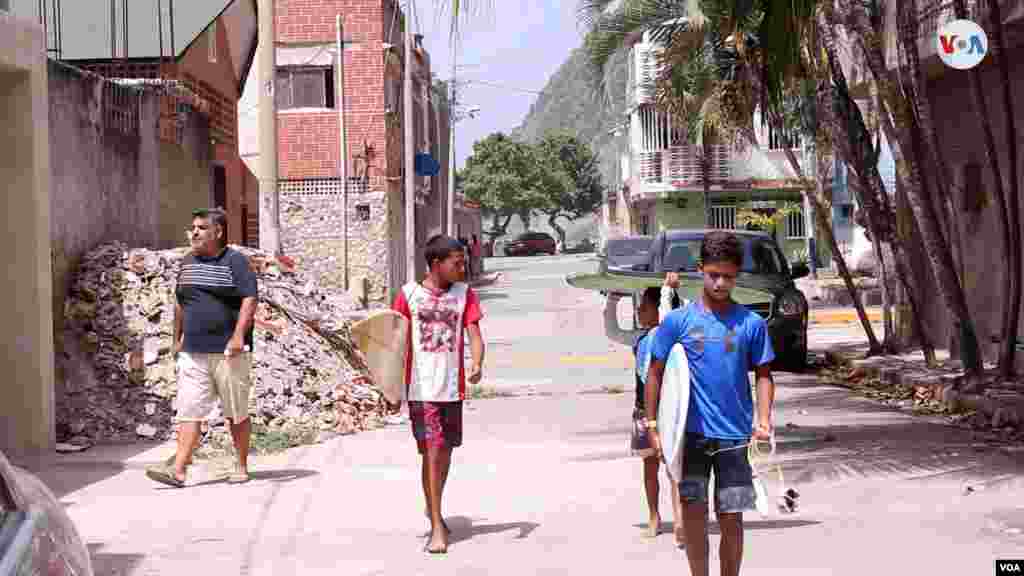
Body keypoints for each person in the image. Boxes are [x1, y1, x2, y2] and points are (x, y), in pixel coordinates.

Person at [645, 231, 775, 576]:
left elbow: (764, 374)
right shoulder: (677, 322)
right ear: (700, 269)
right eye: (713, 274)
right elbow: (657, 374)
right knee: (693, 518)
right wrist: (654, 427)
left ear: (737, 275)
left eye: (728, 276)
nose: (720, 283)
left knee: (732, 519)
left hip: (734, 440)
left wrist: (763, 419)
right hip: (691, 440)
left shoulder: (751, 324)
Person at [146, 208, 259, 488]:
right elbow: (180, 302)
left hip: (229, 352)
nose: (194, 232)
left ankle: (241, 464)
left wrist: (237, 336)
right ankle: (179, 470)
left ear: (218, 232)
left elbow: (249, 299)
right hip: (193, 351)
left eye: (201, 228)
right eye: (192, 227)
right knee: (189, 410)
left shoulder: (236, 262)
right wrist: (177, 337)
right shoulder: (187, 262)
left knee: (236, 412)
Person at [392, 235, 485, 554]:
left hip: (451, 388)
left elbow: (475, 334)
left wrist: (477, 363)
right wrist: (391, 388)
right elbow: (394, 344)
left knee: (444, 453)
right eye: (456, 263)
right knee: (431, 452)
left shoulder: (464, 295)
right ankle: (436, 525)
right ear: (436, 264)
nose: (462, 268)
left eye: (463, 261)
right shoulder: (408, 295)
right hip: (421, 388)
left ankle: (434, 507)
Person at [604, 273, 689, 545]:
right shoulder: (639, 338)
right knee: (649, 465)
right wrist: (611, 302)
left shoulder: (669, 333)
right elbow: (612, 331)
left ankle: (680, 521)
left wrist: (667, 291)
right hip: (643, 410)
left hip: (670, 411)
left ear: (657, 309)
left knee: (674, 466)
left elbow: (670, 314)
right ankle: (654, 516)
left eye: (644, 306)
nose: (639, 311)